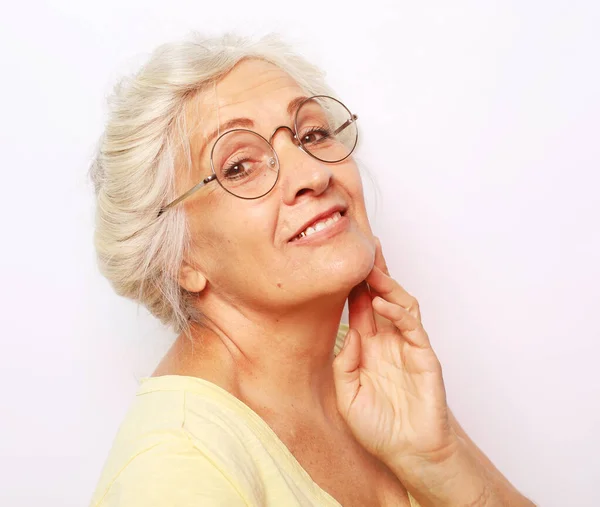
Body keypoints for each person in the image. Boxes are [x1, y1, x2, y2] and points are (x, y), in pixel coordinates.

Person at [89, 33, 534, 507]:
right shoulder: (173, 472)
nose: (314, 174)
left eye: (312, 134)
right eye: (239, 166)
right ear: (177, 259)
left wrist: (440, 462)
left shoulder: (369, 368)